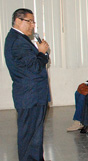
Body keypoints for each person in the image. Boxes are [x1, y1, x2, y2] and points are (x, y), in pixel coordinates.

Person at [4, 8, 50, 161]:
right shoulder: (18, 42)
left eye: (33, 22)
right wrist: (41, 53)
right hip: (30, 95)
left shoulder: (19, 39)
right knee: (29, 134)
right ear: (18, 21)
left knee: (34, 133)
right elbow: (35, 67)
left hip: (31, 94)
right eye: (29, 21)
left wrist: (42, 53)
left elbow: (33, 63)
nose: (32, 25)